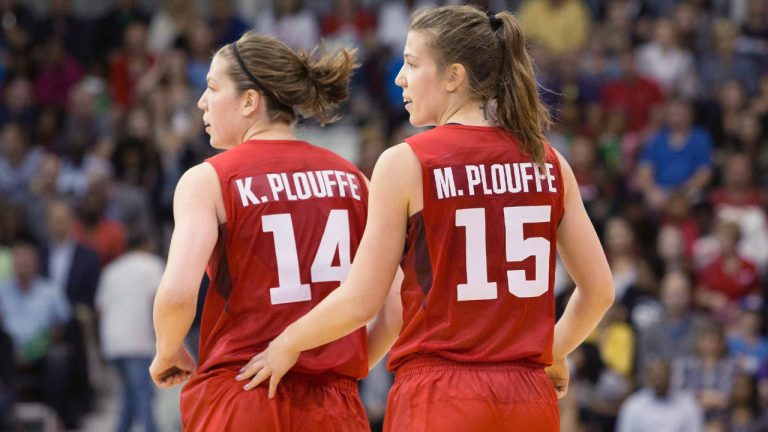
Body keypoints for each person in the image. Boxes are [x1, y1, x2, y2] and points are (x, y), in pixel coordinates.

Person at [239, 5, 614, 431]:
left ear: (454, 76)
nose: (399, 76)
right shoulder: (547, 161)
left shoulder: (406, 162)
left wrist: (288, 342)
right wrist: (555, 349)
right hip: (528, 397)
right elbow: (599, 291)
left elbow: (363, 299)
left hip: (440, 394)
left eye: (412, 64)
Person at [149, 31, 372, 431]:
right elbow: (392, 306)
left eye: (213, 88)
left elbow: (178, 294)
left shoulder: (208, 180)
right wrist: (335, 366)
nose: (202, 101)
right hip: (335, 406)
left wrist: (167, 352)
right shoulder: (355, 179)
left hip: (244, 393)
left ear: (250, 101)